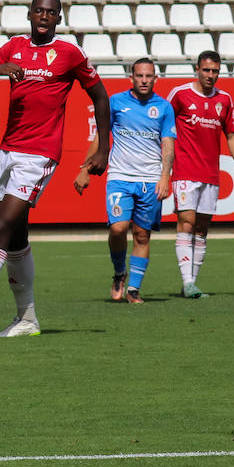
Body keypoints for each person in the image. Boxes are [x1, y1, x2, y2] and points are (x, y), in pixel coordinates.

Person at [0, 0, 111, 338]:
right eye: (39, 11)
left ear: (58, 19)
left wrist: (104, 148)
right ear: (29, 14)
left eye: (51, 12)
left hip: (39, 154)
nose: (44, 16)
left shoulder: (69, 54)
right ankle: (27, 319)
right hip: (8, 151)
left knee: (0, 227)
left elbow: (100, 96)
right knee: (15, 236)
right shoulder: (13, 47)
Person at [72, 57, 176, 303]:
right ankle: (119, 272)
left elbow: (168, 146)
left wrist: (165, 177)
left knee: (142, 235)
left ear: (155, 78)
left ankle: (133, 289)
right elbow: (101, 138)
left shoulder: (163, 108)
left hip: (151, 179)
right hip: (120, 177)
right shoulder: (116, 102)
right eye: (139, 75)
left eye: (148, 76)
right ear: (131, 77)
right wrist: (85, 169)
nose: (143, 80)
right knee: (118, 228)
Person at [166, 50, 234, 298]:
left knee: (201, 229)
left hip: (210, 173)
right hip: (185, 171)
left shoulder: (225, 99)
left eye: (215, 71)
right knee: (187, 221)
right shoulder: (180, 95)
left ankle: (192, 282)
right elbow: (163, 126)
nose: (211, 75)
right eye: (207, 70)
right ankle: (188, 281)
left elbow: (231, 134)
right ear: (197, 69)